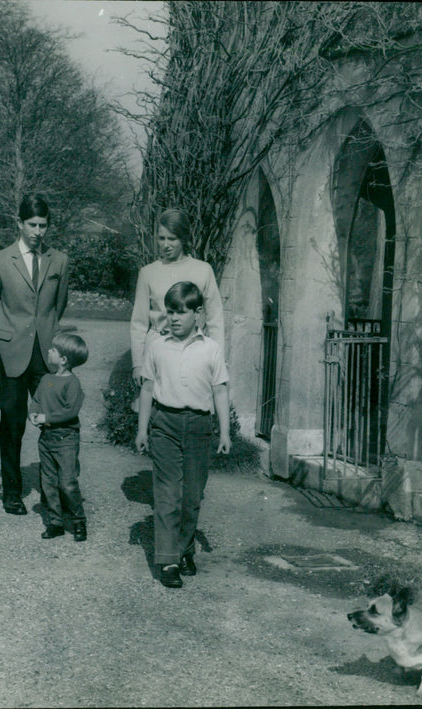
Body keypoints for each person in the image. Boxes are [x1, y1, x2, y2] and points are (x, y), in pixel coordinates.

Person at [135, 281, 231, 589]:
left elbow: (220, 390)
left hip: (200, 427)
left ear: (198, 313)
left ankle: (185, 548)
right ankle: (168, 561)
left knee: (191, 497)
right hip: (165, 424)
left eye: (181, 312)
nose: (174, 318)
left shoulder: (211, 348)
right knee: (167, 495)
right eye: (170, 312)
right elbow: (148, 387)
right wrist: (142, 430)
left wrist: (224, 433)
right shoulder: (157, 345)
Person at [0, 194, 69, 516]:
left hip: (46, 354)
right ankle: (12, 493)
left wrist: (49, 336)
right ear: (19, 223)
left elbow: (59, 306)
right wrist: (2, 343)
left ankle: (54, 493)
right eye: (31, 224)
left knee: (54, 422)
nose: (37, 231)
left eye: (43, 225)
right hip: (11, 355)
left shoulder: (59, 261)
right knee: (12, 424)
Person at [130, 208, 225, 388]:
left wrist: (217, 361)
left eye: (172, 239)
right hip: (157, 350)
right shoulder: (148, 273)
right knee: (152, 407)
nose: (166, 245)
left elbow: (215, 320)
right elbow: (139, 323)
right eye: (161, 238)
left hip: (193, 351)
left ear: (183, 238)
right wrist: (137, 363)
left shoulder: (203, 270)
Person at [28, 332, 89, 542]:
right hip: (46, 439)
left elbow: (70, 411)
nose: (48, 351)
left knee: (68, 483)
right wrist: (33, 413)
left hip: (66, 439)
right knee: (48, 482)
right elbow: (36, 399)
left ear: (63, 359)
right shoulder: (46, 379)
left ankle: (78, 520)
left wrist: (46, 417)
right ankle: (55, 522)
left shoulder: (72, 383)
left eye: (53, 350)